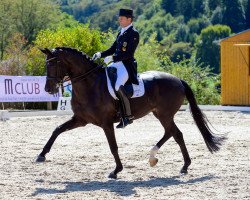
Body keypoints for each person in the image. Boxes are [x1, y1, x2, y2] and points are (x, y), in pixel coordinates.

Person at [92, 8, 140, 128]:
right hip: (117, 64)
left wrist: (113, 59)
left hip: (126, 65)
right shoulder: (121, 32)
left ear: (129, 19)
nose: (120, 21)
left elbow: (128, 54)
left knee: (118, 85)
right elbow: (113, 48)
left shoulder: (134, 34)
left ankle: (127, 117)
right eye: (119, 19)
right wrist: (100, 54)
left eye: (122, 19)